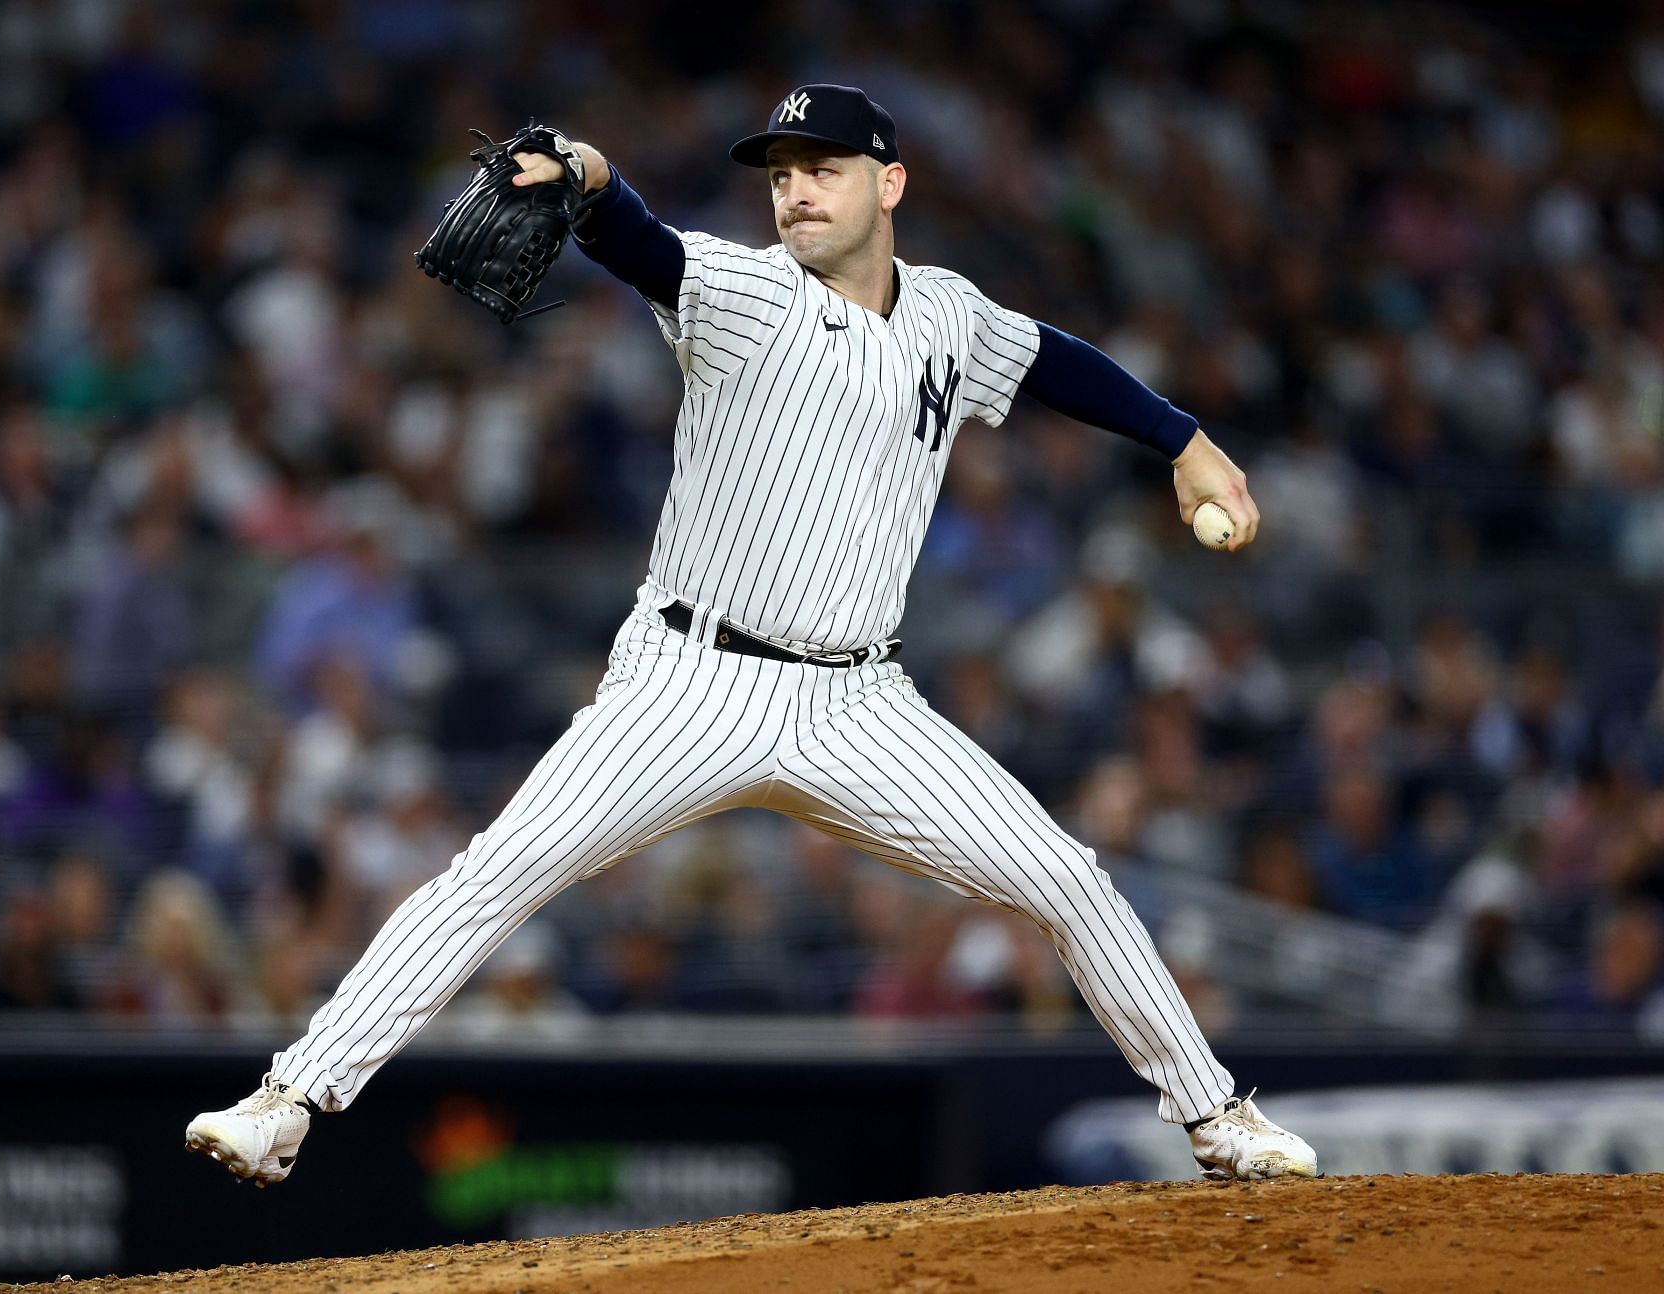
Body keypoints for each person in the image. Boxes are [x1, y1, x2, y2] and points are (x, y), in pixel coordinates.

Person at [186, 85, 1314, 1187]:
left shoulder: (950, 316)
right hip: (690, 680)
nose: (797, 193)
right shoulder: (742, 290)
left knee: (1068, 881)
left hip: (860, 703)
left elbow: (1057, 359)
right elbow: (642, 242)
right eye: (782, 174)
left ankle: (1218, 1118)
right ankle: (287, 1100)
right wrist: (583, 172)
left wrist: (1183, 441)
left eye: (823, 170)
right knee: (495, 875)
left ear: (891, 183)